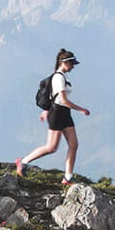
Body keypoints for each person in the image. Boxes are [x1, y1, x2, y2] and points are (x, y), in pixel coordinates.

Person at [16, 49, 89, 183]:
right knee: (51, 147)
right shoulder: (58, 78)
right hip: (58, 113)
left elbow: (55, 98)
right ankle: (23, 162)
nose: (73, 66)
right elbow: (62, 99)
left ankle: (68, 177)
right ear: (63, 63)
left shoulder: (64, 77)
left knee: (73, 144)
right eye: (71, 63)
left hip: (64, 113)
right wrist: (81, 109)